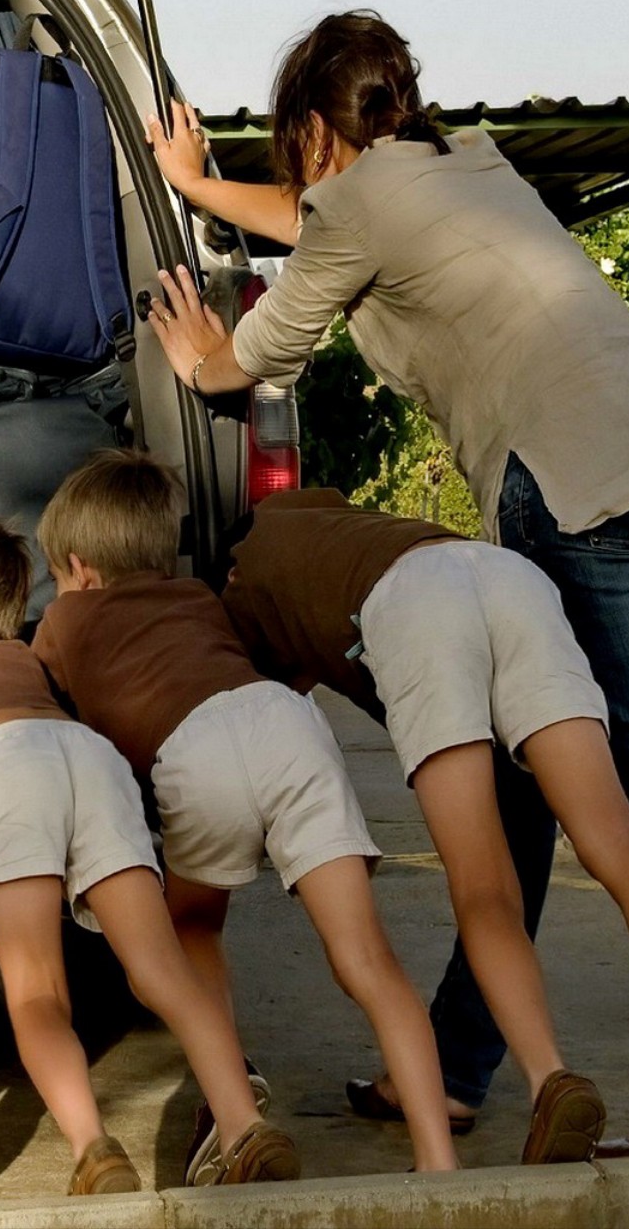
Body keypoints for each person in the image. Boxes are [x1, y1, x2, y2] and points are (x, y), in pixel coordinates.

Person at [141, 9, 629, 1154]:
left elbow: (267, 344)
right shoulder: (461, 161)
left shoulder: (357, 201)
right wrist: (195, 187)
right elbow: (313, 220)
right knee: (535, 780)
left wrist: (200, 360)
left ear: (312, 128)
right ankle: (452, 1066)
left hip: (561, 486)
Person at [218, 489, 629, 1163]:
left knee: (483, 884)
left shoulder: (241, 577)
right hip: (509, 580)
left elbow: (264, 701)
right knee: (618, 837)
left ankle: (550, 1080)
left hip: (417, 608)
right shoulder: (327, 520)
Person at [31, 451, 457, 1180]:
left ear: (79, 568)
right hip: (286, 723)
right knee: (366, 959)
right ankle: (438, 1159)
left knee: (187, 932)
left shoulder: (63, 621)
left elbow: (42, 702)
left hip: (195, 748)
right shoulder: (199, 597)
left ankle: (237, 1116)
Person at [0, 511, 300, 1192]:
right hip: (87, 756)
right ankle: (243, 1124)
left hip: (0, 763)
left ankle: (93, 1147)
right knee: (163, 969)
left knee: (37, 990)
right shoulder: (20, 654)